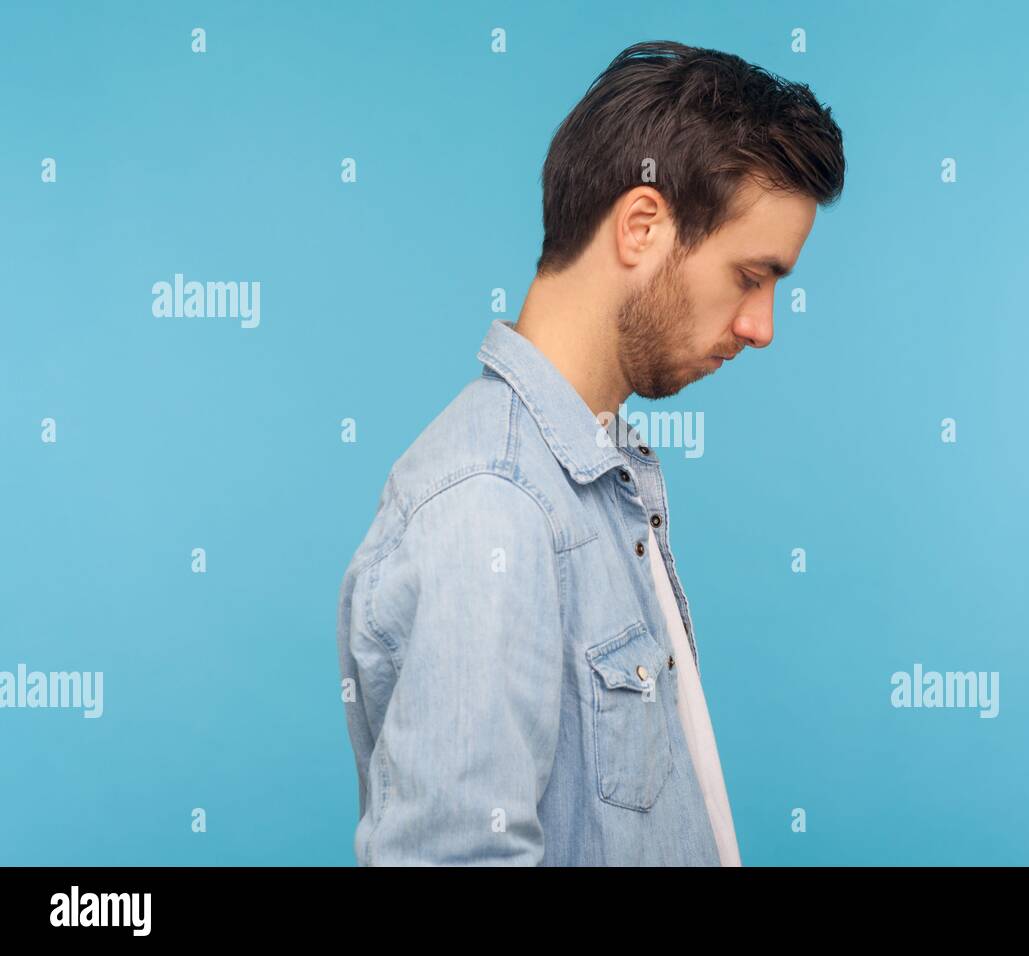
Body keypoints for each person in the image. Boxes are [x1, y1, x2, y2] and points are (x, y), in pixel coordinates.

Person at [336, 39, 845, 865]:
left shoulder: (603, 479)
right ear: (642, 226)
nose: (762, 326)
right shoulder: (491, 507)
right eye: (752, 275)